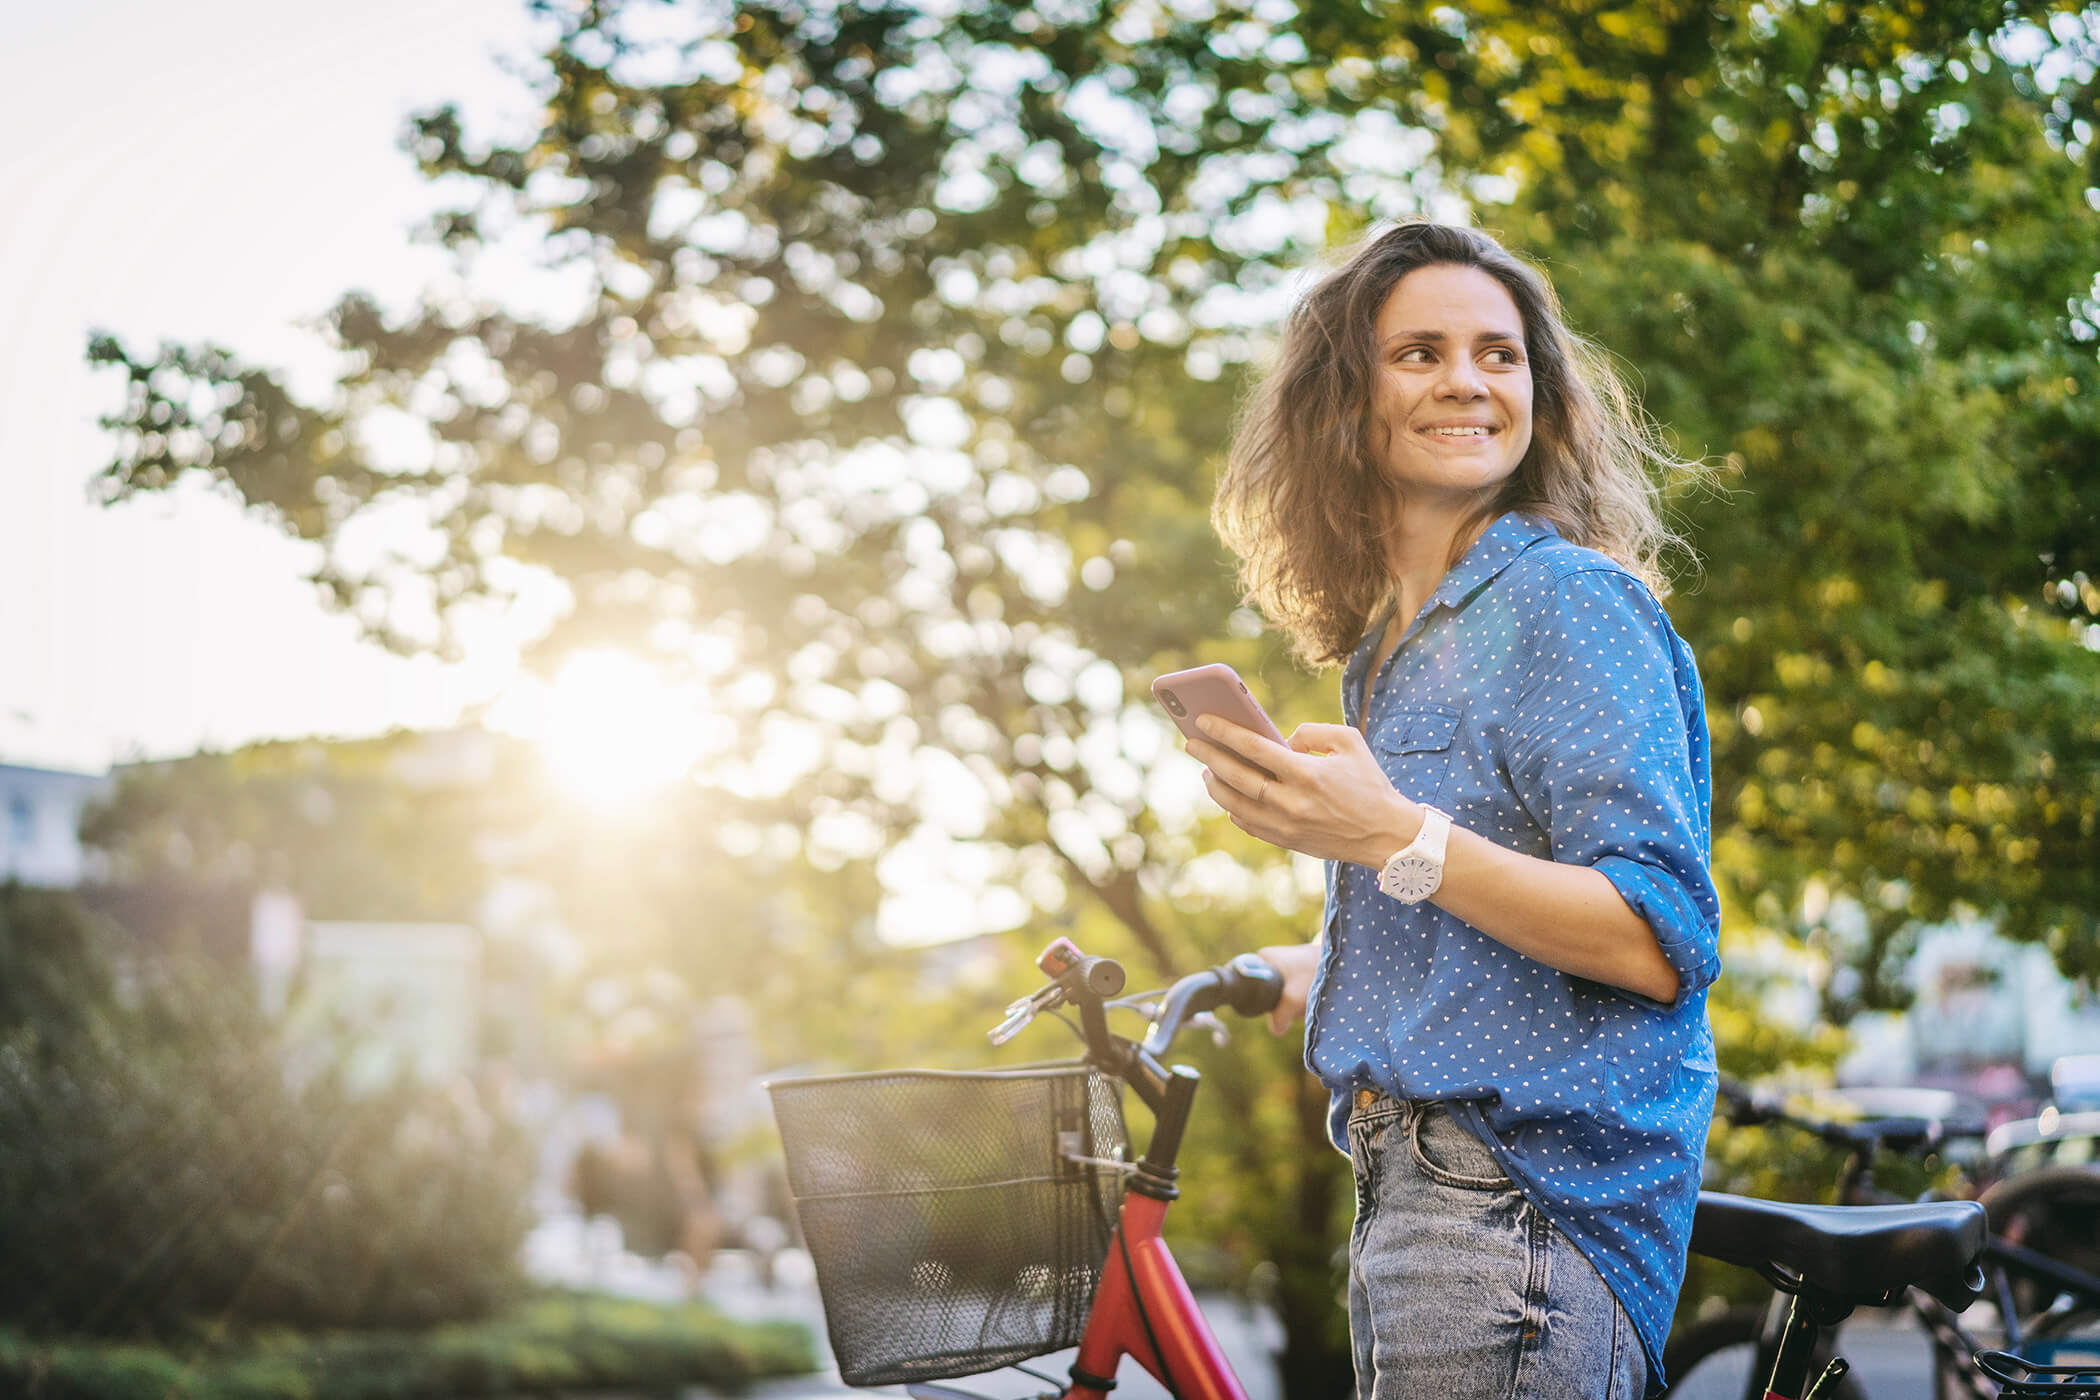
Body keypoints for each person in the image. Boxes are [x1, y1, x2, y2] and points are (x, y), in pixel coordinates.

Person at [1188, 222, 1720, 1400]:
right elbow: (1479, 894)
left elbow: (1655, 933)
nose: (1470, 380)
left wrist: (1386, 833)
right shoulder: (1385, 650)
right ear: (1344, 397)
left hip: (1521, 1205)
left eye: (1500, 352)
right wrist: (1331, 957)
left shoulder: (1564, 600)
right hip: (1414, 1189)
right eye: (1419, 352)